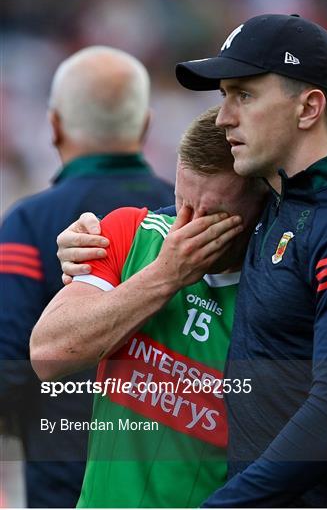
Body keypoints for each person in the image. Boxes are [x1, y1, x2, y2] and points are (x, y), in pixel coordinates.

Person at [172, 13, 327, 507]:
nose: (224, 116)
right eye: (224, 96)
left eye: (243, 94)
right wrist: (91, 236)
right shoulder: (281, 202)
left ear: (309, 108)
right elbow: (193, 211)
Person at [30, 106, 267, 507]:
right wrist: (165, 276)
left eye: (211, 216)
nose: (184, 227)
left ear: (262, 206)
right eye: (181, 202)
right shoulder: (130, 232)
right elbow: (47, 354)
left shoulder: (276, 293)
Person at [0, 46, 174, 507]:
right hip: (167, 477)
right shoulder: (184, 217)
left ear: (54, 125)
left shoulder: (28, 221)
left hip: (61, 480)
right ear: (145, 124)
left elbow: (7, 363)